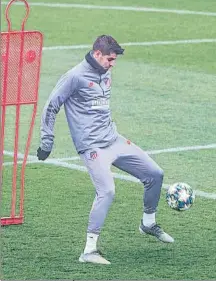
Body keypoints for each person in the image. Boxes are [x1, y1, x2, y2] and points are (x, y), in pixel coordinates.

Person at [37, 35, 174, 265]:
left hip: (113, 139)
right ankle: (89, 251)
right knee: (107, 191)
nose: (113, 64)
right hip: (92, 147)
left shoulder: (106, 72)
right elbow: (51, 105)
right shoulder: (74, 77)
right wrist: (46, 142)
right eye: (110, 59)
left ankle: (148, 223)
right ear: (97, 53)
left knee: (155, 174)